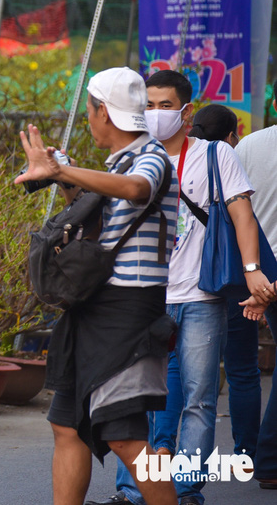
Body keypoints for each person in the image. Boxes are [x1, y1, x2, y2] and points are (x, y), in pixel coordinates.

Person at [91, 72, 272, 505]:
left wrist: (252, 270)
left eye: (165, 105)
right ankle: (134, 491)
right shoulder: (132, 157)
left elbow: (242, 214)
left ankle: (186, 489)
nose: (156, 114)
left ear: (186, 111)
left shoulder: (214, 155)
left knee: (198, 397)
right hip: (144, 297)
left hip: (200, 297)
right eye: (149, 105)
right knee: (137, 397)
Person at [15, 66, 179, 505]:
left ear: (102, 112)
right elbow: (99, 215)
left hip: (129, 310)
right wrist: (57, 175)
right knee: (67, 424)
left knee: (124, 434)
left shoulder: (151, 157)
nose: (89, 118)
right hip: (91, 304)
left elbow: (135, 189)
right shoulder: (115, 163)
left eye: (90, 110)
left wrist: (65, 169)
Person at [191, 103, 262, 462]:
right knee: (242, 369)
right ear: (231, 136)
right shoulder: (231, 158)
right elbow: (245, 219)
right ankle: (247, 452)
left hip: (187, 281)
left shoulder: (180, 160)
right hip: (234, 278)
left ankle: (165, 455)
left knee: (179, 375)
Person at [235, 81, 277, 490]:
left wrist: (254, 271)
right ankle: (267, 460)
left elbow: (238, 206)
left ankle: (263, 458)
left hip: (256, 263)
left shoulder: (248, 145)